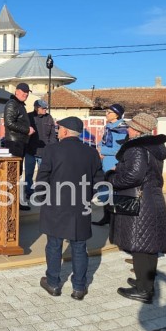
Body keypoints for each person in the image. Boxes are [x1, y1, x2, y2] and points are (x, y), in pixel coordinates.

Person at [35, 117, 104, 300]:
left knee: (54, 245)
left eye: (59, 129)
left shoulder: (52, 150)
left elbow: (42, 179)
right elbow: (99, 181)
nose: (57, 132)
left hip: (55, 205)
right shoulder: (91, 153)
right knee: (79, 247)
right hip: (80, 206)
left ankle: (53, 283)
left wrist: (42, 198)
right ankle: (79, 288)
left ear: (65, 131)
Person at [107, 112, 166, 304]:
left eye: (131, 127)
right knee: (149, 246)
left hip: (139, 201)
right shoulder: (154, 147)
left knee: (140, 246)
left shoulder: (136, 149)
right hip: (153, 198)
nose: (128, 129)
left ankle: (143, 290)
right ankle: (145, 283)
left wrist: (112, 178)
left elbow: (133, 176)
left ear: (138, 129)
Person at [93, 103, 128, 226]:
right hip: (105, 162)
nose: (106, 114)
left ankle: (116, 221)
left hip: (114, 162)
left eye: (109, 112)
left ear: (117, 115)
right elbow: (103, 142)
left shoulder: (122, 128)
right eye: (106, 112)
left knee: (113, 192)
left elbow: (121, 149)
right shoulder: (109, 126)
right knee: (105, 189)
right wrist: (99, 148)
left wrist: (102, 151)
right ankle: (106, 217)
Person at [3, 82, 35, 210]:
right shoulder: (12, 104)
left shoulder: (19, 104)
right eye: (23, 92)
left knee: (17, 174)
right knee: (13, 174)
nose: (26, 94)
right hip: (14, 143)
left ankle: (15, 202)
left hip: (19, 142)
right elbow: (9, 123)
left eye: (27, 92)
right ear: (16, 91)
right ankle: (12, 203)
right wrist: (27, 130)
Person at [24, 99, 57, 203]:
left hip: (44, 153)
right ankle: (29, 192)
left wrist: (51, 148)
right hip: (30, 152)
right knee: (29, 174)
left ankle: (42, 193)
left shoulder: (49, 118)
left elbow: (52, 135)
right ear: (36, 108)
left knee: (43, 175)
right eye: (43, 108)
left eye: (46, 108)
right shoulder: (28, 117)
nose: (45, 110)